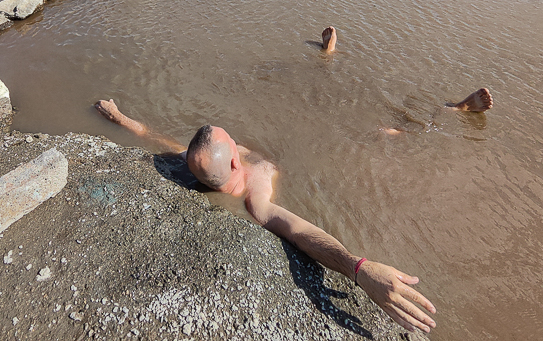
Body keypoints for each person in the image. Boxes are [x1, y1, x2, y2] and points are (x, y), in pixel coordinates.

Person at [94, 98, 439, 334]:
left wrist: (118, 117)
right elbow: (301, 230)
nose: (233, 138)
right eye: (231, 141)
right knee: (374, 137)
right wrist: (359, 268)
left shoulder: (195, 160)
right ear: (233, 162)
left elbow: (152, 135)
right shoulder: (256, 198)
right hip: (304, 164)